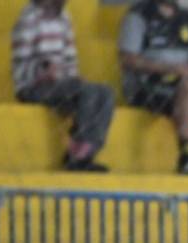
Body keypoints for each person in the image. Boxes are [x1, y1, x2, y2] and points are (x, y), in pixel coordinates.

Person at [11, 0, 115, 172]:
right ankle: (76, 154)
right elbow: (20, 66)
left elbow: (70, 59)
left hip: (62, 85)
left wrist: (72, 77)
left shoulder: (64, 17)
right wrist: (43, 71)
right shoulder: (28, 19)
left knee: (105, 93)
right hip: (32, 87)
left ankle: (87, 150)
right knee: (87, 92)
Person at [118, 0, 188, 174]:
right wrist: (168, 68)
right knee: (186, 84)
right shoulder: (138, 14)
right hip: (148, 83)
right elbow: (128, 59)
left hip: (182, 76)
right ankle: (186, 151)